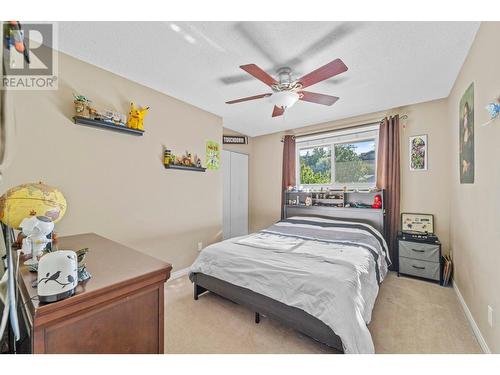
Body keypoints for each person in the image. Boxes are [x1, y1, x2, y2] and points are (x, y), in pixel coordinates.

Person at [460, 101, 474, 183]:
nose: (465, 118)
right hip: (464, 163)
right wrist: (463, 161)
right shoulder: (462, 134)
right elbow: (461, 151)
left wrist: (467, 163)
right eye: (464, 115)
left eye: (466, 115)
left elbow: (471, 151)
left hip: (469, 165)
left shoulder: (471, 134)